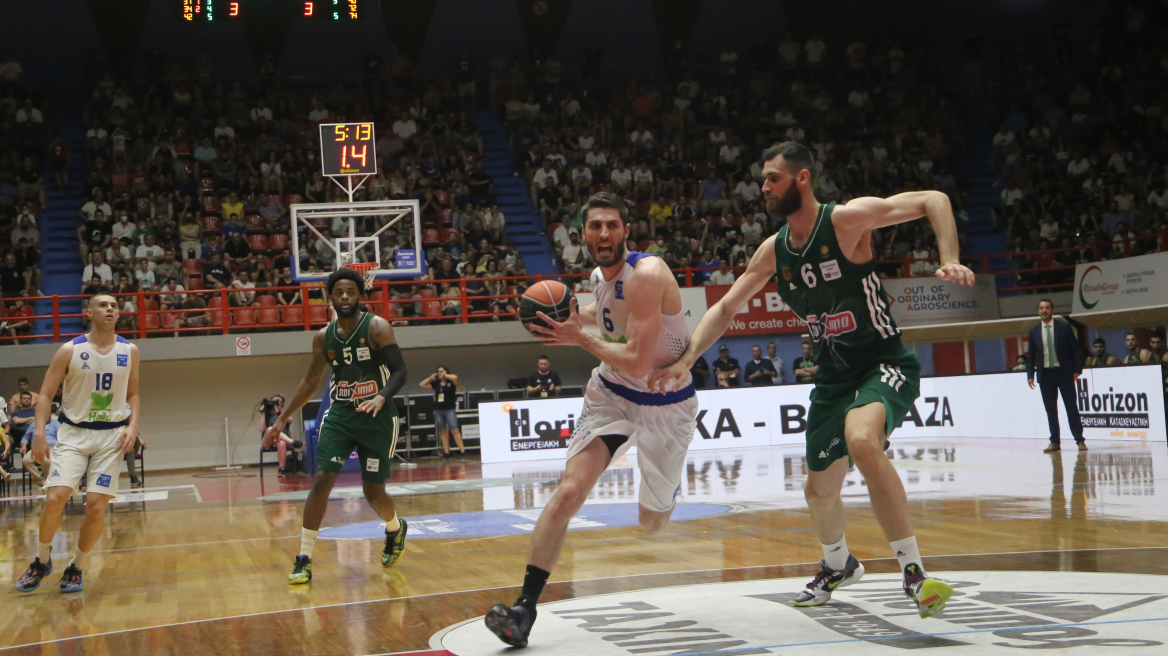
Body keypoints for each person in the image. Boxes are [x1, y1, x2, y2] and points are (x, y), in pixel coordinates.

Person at [650, 142, 971, 618]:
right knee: (818, 492)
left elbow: (933, 200)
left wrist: (949, 257)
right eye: (762, 179)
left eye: (772, 178)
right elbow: (725, 308)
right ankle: (838, 563)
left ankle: (914, 573)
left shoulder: (845, 220)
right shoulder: (773, 250)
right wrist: (686, 359)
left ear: (801, 179)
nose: (762, 187)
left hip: (881, 360)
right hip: (832, 378)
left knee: (862, 441)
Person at [485, 192, 699, 648]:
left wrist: (577, 338)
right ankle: (524, 608)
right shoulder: (599, 276)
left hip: (665, 401)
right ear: (582, 234)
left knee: (651, 522)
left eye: (612, 225)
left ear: (626, 231)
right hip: (611, 393)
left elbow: (640, 362)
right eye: (596, 226)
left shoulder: (648, 274)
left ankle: (668, 488)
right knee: (569, 491)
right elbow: (602, 325)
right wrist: (557, 320)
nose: (604, 234)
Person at [262, 268, 409, 584]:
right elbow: (310, 380)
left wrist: (382, 397)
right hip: (341, 414)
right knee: (323, 478)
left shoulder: (377, 328)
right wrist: (282, 418)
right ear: (330, 297)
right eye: (339, 292)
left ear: (360, 296)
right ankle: (303, 558)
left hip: (376, 417)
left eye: (350, 292)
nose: (344, 297)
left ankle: (395, 528)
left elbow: (400, 372)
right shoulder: (323, 337)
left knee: (373, 492)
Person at [17, 293, 140, 594]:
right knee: (56, 498)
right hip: (73, 433)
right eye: (103, 305)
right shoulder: (69, 350)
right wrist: (40, 434)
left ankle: (76, 567)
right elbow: (45, 395)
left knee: (96, 507)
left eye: (114, 305)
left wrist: (133, 426)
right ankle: (41, 561)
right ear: (89, 312)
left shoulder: (130, 350)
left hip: (111, 436)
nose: (111, 308)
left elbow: (133, 395)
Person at [1027, 299, 1086, 453]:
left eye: (1047, 307)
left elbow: (1076, 349)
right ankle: (1055, 441)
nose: (1044, 310)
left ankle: (1079, 440)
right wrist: (1030, 374)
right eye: (1041, 308)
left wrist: (1077, 369)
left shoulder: (1064, 327)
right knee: (1050, 410)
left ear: (1052, 310)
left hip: (1064, 372)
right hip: (1045, 375)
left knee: (1071, 407)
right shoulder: (1033, 331)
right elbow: (1031, 354)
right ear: (1038, 311)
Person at [420, 367, 464, 458]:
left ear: (446, 372)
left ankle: (462, 451)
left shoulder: (451, 382)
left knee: (454, 429)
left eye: (441, 371)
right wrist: (430, 378)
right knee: (443, 431)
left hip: (449, 410)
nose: (439, 373)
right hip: (438, 410)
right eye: (438, 371)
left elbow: (455, 377)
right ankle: (446, 452)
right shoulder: (436, 384)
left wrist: (445, 375)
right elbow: (422, 385)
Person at [260, 395, 303, 475]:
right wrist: (263, 414)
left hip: (280, 440)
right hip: (268, 441)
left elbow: (289, 420)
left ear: (282, 404)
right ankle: (292, 442)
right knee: (270, 429)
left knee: (282, 443)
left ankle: (281, 469)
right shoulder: (267, 415)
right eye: (274, 401)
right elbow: (261, 429)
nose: (276, 403)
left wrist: (279, 412)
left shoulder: (284, 414)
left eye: (279, 401)